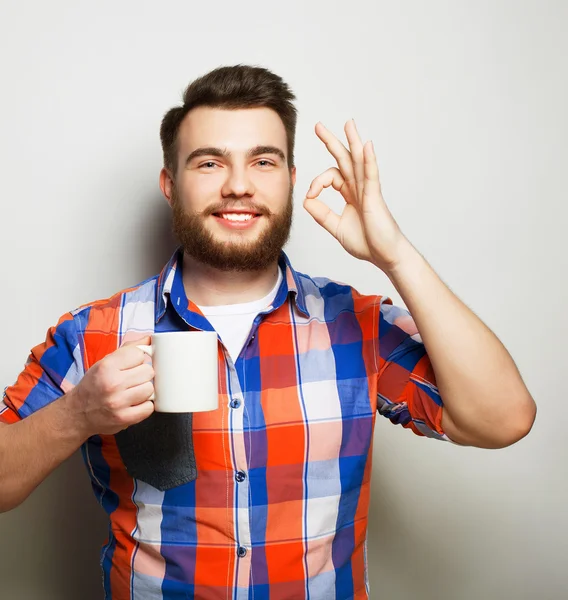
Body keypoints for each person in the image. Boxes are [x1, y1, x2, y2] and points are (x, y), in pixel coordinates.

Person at [0, 65, 536, 600]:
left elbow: (503, 419)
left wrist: (393, 254)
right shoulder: (91, 334)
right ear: (170, 184)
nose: (238, 185)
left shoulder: (358, 325)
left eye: (263, 161)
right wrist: (77, 414)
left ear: (291, 178)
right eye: (209, 162)